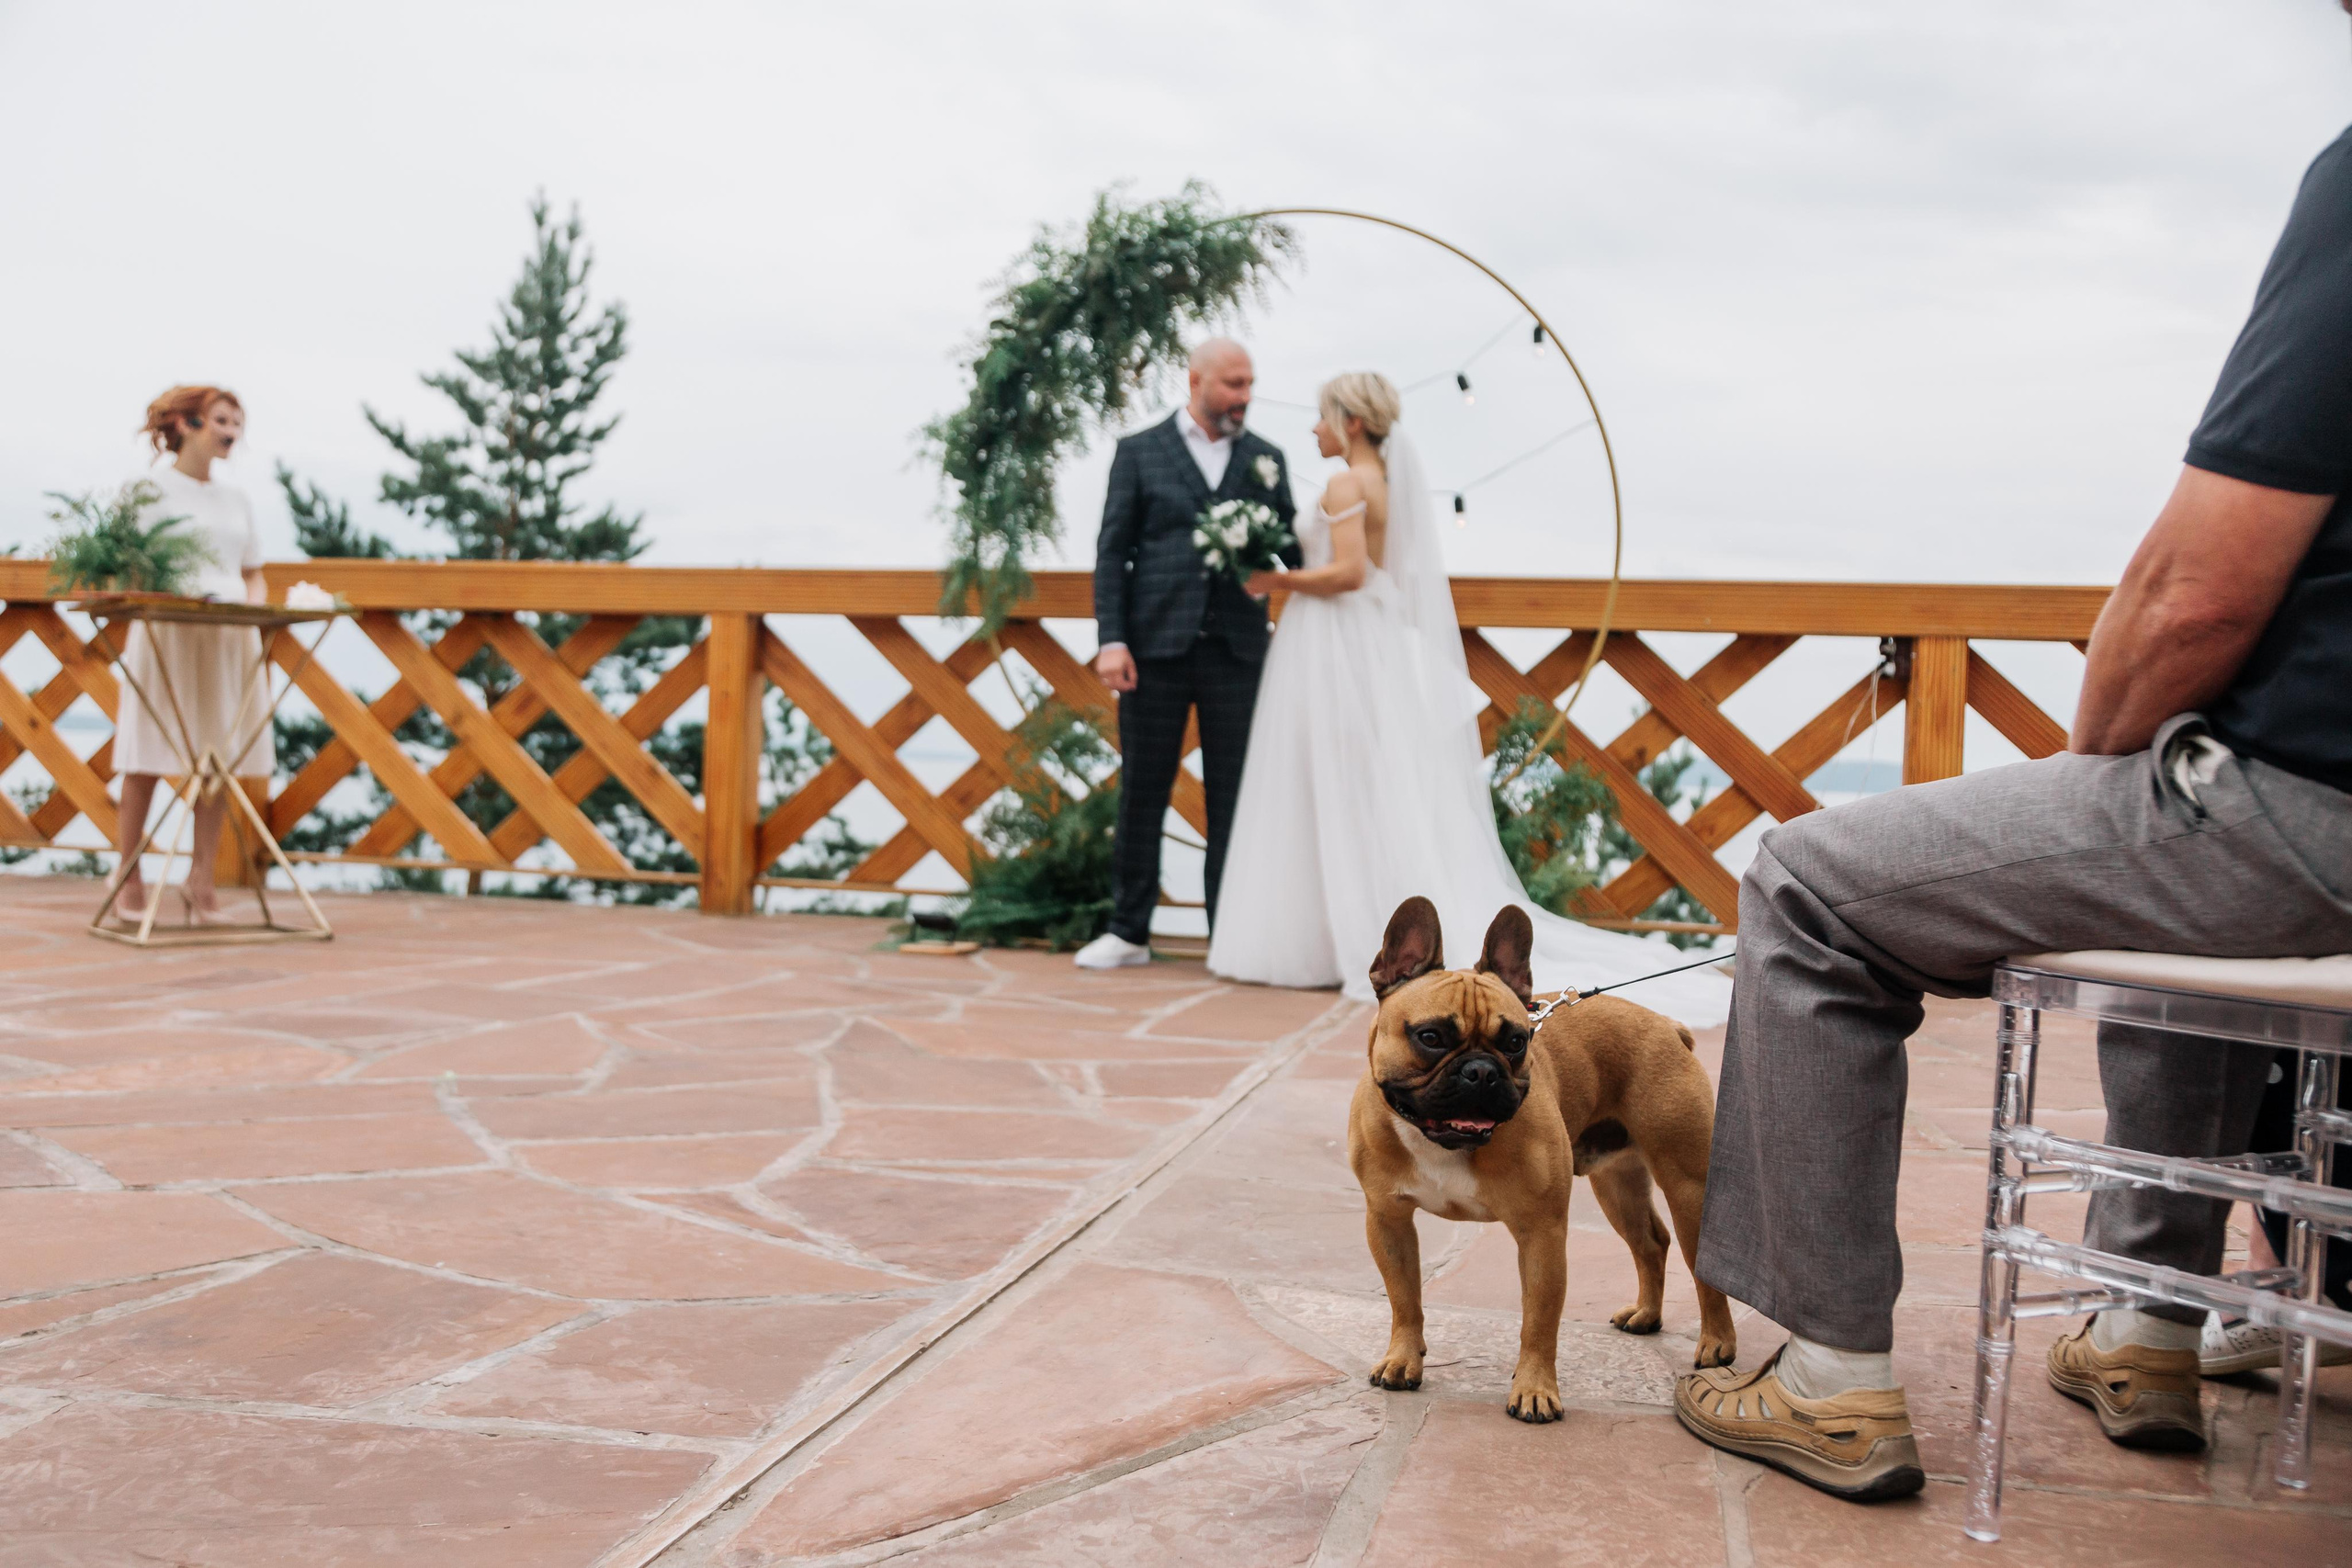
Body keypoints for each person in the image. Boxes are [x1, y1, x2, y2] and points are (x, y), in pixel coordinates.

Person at [1675, 119, 2352, 1501]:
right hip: (2298, 856)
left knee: (1805, 879)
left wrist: (2107, 762)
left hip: (2313, 815)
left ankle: (1826, 1374)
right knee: (2181, 891)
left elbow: (2194, 595)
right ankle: (2148, 1323)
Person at [1200, 371, 1733, 1025]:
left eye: (1321, 417)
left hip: (1335, 643)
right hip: (1366, 641)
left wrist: (1267, 579)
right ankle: (1357, 927)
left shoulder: (1345, 483)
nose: (1313, 429)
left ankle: (1331, 938)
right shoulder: (1387, 486)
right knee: (1368, 786)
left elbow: (1349, 573)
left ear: (1352, 423)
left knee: (1330, 783)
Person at [1073, 340, 1299, 970]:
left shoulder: (1266, 460)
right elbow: (1112, 552)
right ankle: (1128, 930)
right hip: (1153, 648)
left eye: (1249, 383)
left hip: (1239, 650)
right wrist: (1111, 640)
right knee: (1143, 788)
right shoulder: (1139, 452)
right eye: (1232, 384)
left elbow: (1292, 552)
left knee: (1235, 798)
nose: (1244, 397)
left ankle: (1227, 933)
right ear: (1196, 380)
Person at [107, 385, 273, 925]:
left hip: (227, 634)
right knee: (146, 754)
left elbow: (253, 571)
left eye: (237, 423)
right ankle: (127, 873)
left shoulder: (237, 501)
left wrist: (253, 607)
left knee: (217, 756)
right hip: (169, 630)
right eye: (222, 419)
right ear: (187, 424)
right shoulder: (146, 492)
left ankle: (201, 878)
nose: (232, 431)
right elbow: (122, 569)